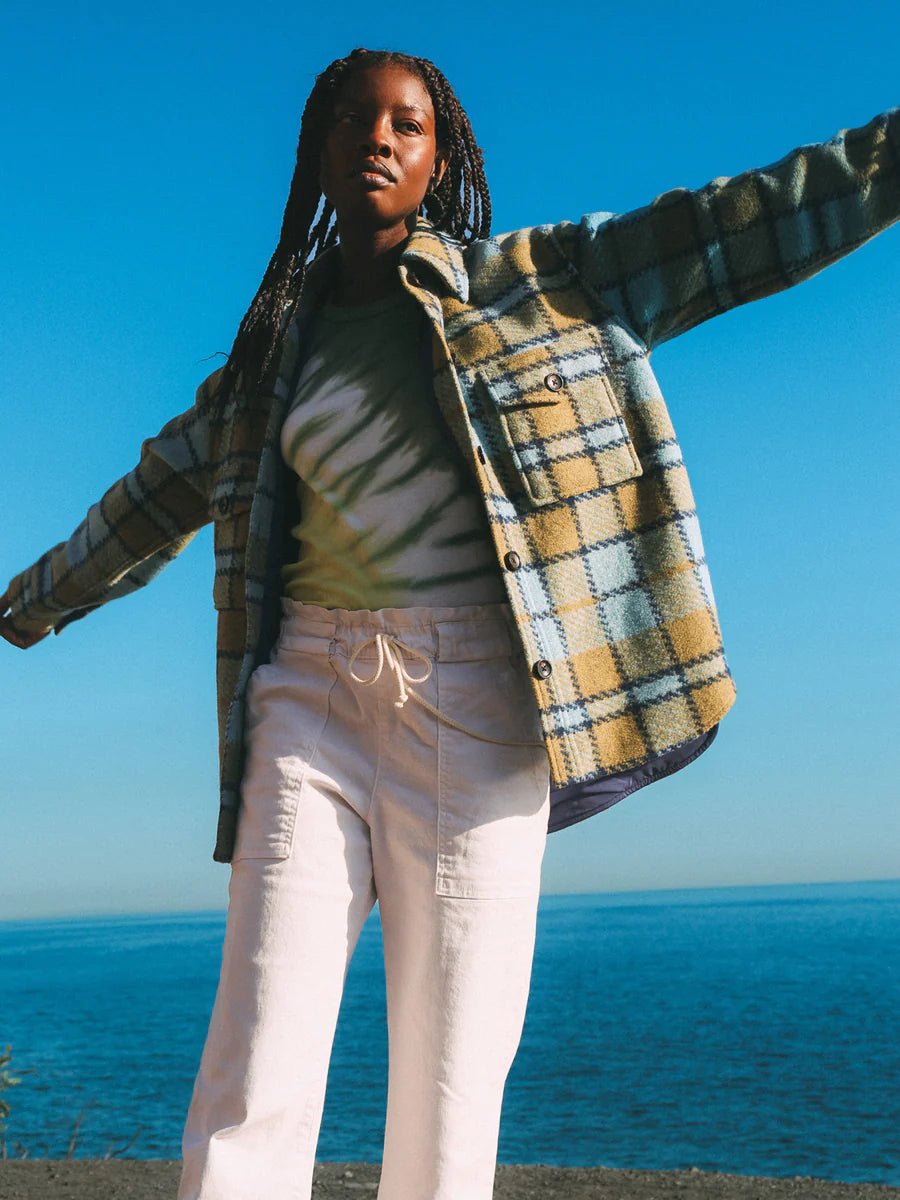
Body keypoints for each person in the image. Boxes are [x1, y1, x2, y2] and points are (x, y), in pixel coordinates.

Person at [2, 44, 897, 1200]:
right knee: (255, 1061)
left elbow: (742, 223)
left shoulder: (545, 282)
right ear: (319, 155)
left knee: (451, 1083)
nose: (378, 138)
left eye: (406, 125)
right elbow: (149, 500)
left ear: (440, 161)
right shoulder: (268, 361)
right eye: (353, 122)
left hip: (479, 705)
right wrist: (22, 610)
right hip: (307, 703)